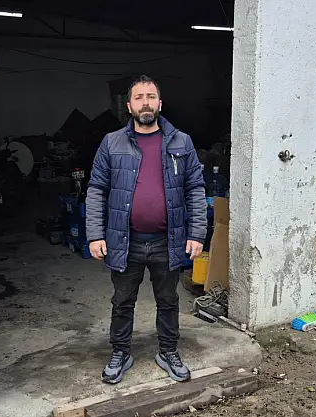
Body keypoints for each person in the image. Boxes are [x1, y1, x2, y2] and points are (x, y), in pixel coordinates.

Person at [85, 75, 207, 384]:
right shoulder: (112, 142)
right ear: (129, 106)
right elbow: (97, 189)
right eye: (139, 98)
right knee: (122, 301)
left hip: (168, 240)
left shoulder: (182, 142)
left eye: (151, 97)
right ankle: (120, 352)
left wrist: (196, 234)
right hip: (126, 241)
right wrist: (95, 234)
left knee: (168, 301)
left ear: (160, 104)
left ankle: (168, 351)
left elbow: (195, 188)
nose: (145, 103)